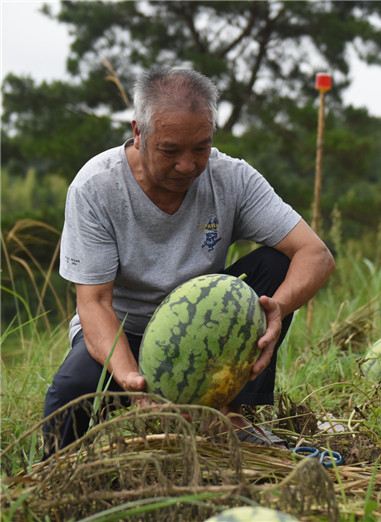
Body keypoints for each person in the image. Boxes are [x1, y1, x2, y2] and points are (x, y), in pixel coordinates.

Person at [42, 67, 335, 455]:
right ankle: (56, 481)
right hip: (124, 330)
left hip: (204, 330)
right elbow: (94, 302)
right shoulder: (96, 188)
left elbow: (316, 254)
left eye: (200, 148)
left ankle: (228, 411)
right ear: (138, 132)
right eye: (170, 150)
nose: (187, 165)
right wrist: (131, 378)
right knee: (69, 394)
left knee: (275, 265)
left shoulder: (232, 177)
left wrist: (275, 310)